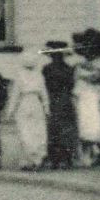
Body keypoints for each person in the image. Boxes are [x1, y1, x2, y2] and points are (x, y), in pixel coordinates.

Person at [6, 56, 49, 170]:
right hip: (36, 104)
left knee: (25, 131)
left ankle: (28, 160)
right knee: (37, 130)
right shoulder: (39, 76)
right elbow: (44, 94)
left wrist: (10, 111)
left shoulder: (19, 76)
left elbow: (15, 95)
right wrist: (46, 108)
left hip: (24, 104)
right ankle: (36, 159)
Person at [41, 40, 77, 169]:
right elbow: (72, 85)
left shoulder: (46, 69)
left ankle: (55, 159)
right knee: (66, 129)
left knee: (53, 129)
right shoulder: (68, 69)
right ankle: (66, 159)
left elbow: (44, 85)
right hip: (65, 99)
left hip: (53, 99)